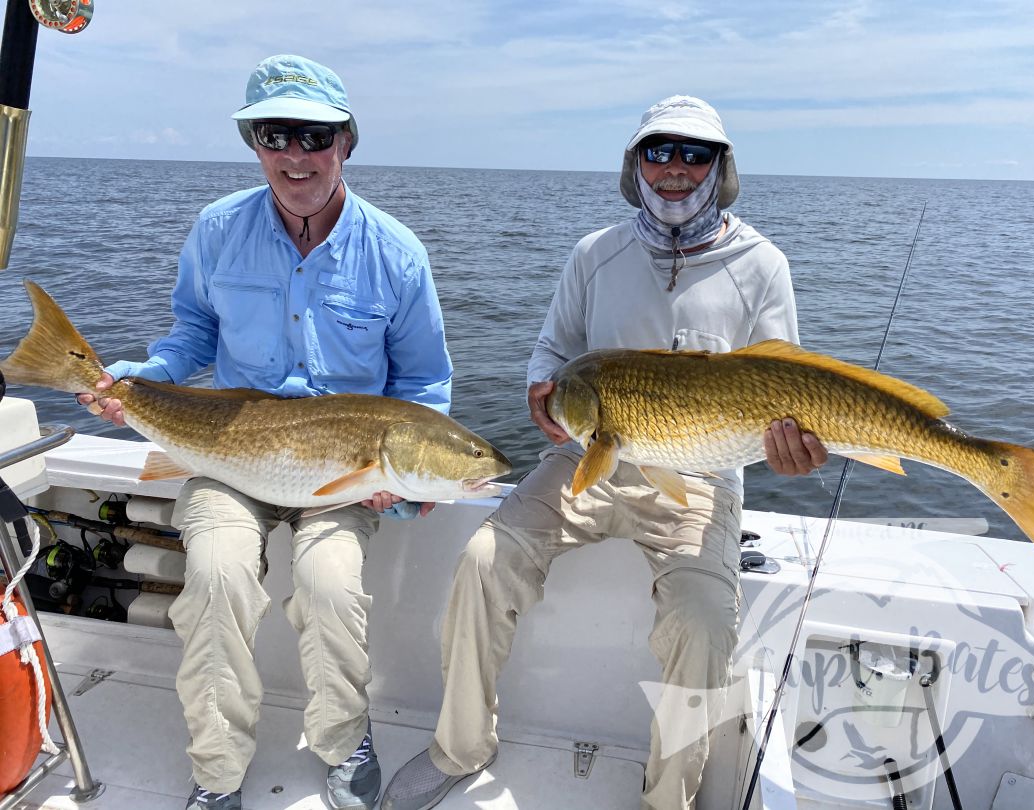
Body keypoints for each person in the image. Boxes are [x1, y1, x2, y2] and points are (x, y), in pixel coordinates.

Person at [381, 95, 827, 810]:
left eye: (694, 154)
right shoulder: (595, 253)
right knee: (483, 562)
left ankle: (666, 799)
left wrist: (789, 450)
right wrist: (541, 394)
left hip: (702, 477)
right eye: (659, 151)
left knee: (704, 625)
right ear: (634, 163)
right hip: (589, 458)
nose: (674, 170)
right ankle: (459, 746)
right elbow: (553, 352)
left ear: (721, 166)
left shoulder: (763, 264)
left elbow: (786, 385)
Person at [78, 55, 453, 810]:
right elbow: (191, 334)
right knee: (215, 578)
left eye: (314, 135)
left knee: (330, 586)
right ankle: (217, 774)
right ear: (255, 143)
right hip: (230, 452)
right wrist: (139, 379)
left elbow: (421, 390)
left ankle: (347, 743)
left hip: (340, 470)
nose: (296, 155)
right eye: (275, 133)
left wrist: (406, 490)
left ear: (346, 142)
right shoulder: (219, 229)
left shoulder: (398, 255)